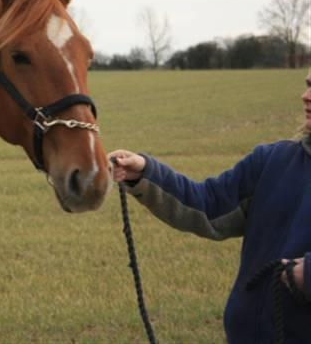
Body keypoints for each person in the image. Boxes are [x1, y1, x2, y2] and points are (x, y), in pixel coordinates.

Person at [109, 70, 311, 343]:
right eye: (308, 85)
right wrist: (145, 173)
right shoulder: (272, 161)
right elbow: (209, 206)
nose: (305, 96)